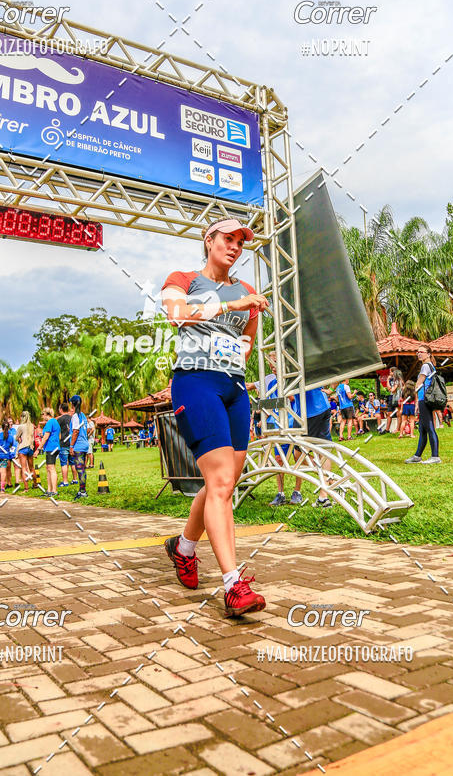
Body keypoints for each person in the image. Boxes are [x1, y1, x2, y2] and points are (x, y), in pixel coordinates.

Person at [161, 216, 269, 617]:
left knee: (224, 480)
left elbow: (247, 342)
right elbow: (175, 314)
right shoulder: (185, 278)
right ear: (209, 241)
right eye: (228, 238)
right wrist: (229, 304)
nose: (235, 246)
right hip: (195, 382)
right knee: (221, 481)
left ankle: (184, 547)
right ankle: (233, 585)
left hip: (233, 389)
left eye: (241, 242)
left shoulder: (249, 292)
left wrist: (235, 357)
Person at [256, 354, 303, 507]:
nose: (273, 368)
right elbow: (269, 405)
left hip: (292, 424)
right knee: (279, 460)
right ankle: (280, 493)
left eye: (275, 363)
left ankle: (297, 491)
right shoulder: (271, 384)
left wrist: (286, 393)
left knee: (297, 459)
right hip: (277, 426)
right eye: (270, 366)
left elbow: (294, 400)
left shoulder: (292, 380)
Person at [406, 346, 441, 464]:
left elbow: (418, 384)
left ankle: (435, 456)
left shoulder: (426, 366)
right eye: (418, 352)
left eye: (422, 352)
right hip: (425, 399)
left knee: (429, 427)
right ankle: (417, 456)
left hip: (424, 399)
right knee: (422, 429)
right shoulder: (430, 365)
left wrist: (417, 402)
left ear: (429, 354)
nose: (418, 354)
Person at [36, 407, 60, 497]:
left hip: (51, 447)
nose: (42, 417)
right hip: (54, 447)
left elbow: (46, 437)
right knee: (48, 468)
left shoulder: (50, 422)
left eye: (43, 415)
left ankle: (54, 490)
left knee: (51, 468)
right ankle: (49, 490)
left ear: (46, 414)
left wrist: (38, 449)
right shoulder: (55, 422)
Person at [70, 395, 89, 499]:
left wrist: (71, 446)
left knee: (80, 469)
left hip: (79, 445)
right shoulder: (83, 415)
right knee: (82, 469)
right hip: (85, 444)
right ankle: (82, 490)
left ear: (72, 404)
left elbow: (75, 431)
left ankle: (82, 492)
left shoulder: (75, 416)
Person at [0, 419, 16, 493]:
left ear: (2, 427)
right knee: (3, 471)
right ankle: (2, 488)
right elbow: (12, 446)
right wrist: (10, 455)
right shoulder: (10, 437)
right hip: (5, 456)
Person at [16, 411, 37, 489]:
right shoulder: (31, 426)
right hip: (30, 447)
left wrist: (19, 438)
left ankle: (26, 487)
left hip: (23, 447)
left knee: (24, 468)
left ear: (22, 417)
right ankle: (35, 484)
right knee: (31, 467)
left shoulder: (21, 426)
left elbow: (16, 437)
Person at [57, 402, 72, 487]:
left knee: (64, 463)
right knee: (72, 463)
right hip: (71, 443)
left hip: (63, 443)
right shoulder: (72, 418)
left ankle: (65, 481)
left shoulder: (59, 420)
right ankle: (75, 479)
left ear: (61, 409)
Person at [386, 368, 404, 433]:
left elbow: (393, 390)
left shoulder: (397, 381)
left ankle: (398, 429)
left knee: (398, 414)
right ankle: (398, 428)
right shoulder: (401, 381)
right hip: (400, 398)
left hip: (397, 398)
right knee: (399, 414)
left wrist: (391, 389)